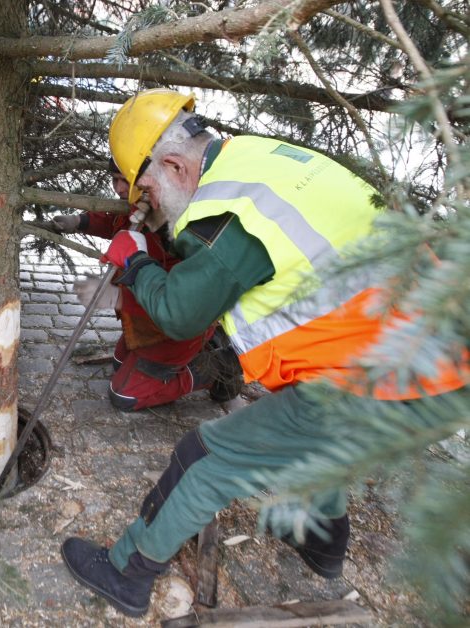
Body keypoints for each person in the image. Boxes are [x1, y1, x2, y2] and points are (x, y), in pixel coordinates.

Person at [59, 89, 469, 618]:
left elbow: (182, 313)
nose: (147, 202)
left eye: (146, 187)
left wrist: (136, 263)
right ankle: (321, 544)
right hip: (433, 348)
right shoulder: (253, 161)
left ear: (174, 163)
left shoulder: (228, 210)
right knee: (311, 435)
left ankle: (127, 573)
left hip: (392, 370)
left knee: (205, 456)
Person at [48, 159, 241, 410]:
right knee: (119, 362)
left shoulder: (177, 229)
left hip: (176, 326)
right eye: (114, 179)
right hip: (145, 323)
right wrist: (80, 222)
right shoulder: (143, 202)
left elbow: (175, 301)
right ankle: (199, 349)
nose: (117, 188)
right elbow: (118, 223)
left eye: (124, 180)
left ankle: (216, 369)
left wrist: (117, 298)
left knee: (125, 395)